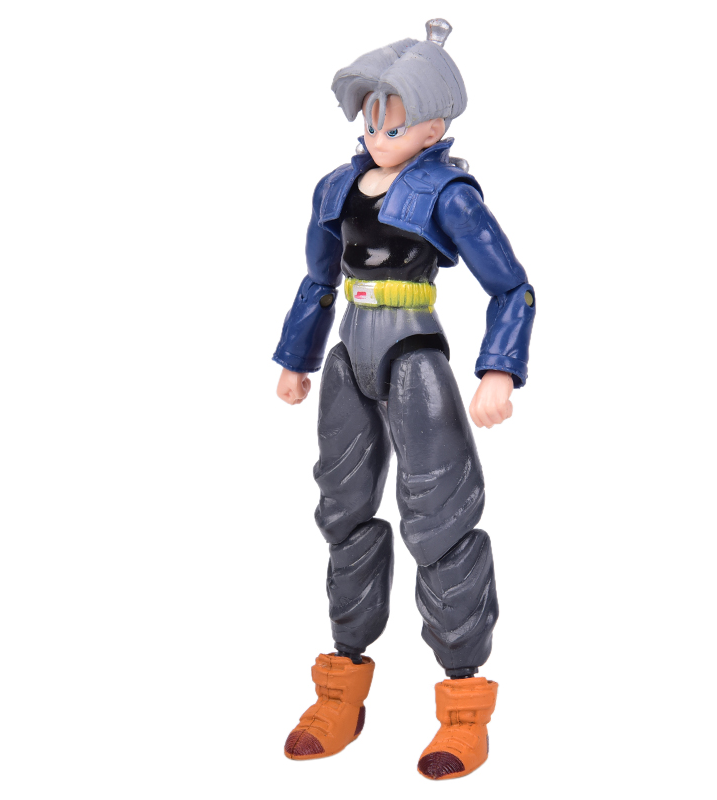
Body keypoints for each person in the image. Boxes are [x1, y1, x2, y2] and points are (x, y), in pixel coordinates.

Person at [272, 19, 535, 780]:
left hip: (413, 353)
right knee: (343, 513)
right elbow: (319, 278)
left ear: (433, 127)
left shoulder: (447, 194)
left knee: (440, 519)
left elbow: (512, 286)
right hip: (348, 355)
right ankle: (341, 687)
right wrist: (295, 358)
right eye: (370, 120)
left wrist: (499, 370)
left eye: (393, 124)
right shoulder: (337, 187)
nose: (377, 134)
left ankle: (462, 706)